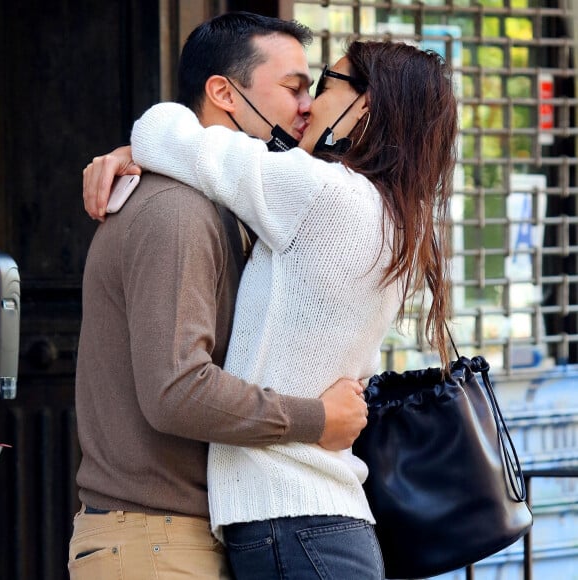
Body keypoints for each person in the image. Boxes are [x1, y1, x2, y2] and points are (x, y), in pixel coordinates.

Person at [94, 39, 459, 579]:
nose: (309, 104)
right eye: (298, 88)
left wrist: (134, 150)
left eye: (326, 85)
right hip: (321, 523)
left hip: (293, 522)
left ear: (367, 105)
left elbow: (159, 130)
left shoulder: (321, 196)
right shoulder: (391, 213)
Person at [69, 12, 370, 580]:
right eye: (294, 87)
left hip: (180, 536)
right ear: (223, 93)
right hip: (155, 543)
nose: (307, 105)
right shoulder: (178, 212)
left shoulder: (230, 207)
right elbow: (176, 390)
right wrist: (316, 418)